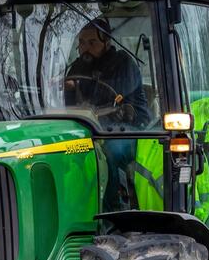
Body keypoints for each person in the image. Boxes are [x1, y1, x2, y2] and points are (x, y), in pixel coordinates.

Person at [64, 18, 150, 209]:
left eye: (92, 42)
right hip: (91, 127)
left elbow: (112, 98)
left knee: (109, 151)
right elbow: (66, 104)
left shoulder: (123, 63)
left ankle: (112, 211)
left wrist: (80, 89)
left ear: (107, 42)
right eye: (81, 43)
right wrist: (68, 89)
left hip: (132, 128)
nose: (85, 48)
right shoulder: (78, 66)